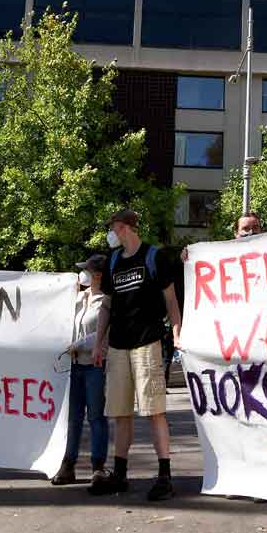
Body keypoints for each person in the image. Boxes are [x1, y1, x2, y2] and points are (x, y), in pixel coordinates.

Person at [90, 209, 182, 501]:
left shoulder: (154, 256)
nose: (111, 233)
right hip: (118, 346)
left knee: (154, 410)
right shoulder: (114, 261)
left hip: (148, 342)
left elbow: (170, 299)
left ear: (126, 227)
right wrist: (98, 342)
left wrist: (177, 332)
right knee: (120, 413)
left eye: (113, 228)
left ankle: (165, 475)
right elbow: (107, 305)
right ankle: (120, 474)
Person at [51, 254, 109, 486]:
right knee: (73, 418)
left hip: (96, 366)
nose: (82, 273)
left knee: (96, 417)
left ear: (97, 275)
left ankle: (98, 466)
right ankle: (68, 464)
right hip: (75, 366)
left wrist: (81, 344)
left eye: (86, 269)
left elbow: (104, 334)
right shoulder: (78, 297)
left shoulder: (107, 300)